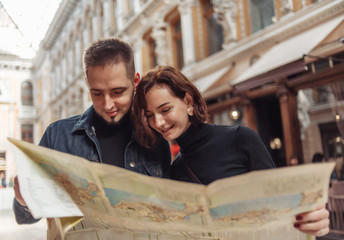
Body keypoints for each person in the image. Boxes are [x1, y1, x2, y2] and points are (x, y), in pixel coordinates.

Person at [131, 65, 330, 237]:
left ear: (189, 102)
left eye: (165, 110)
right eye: (150, 115)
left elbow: (282, 206)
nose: (158, 122)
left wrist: (314, 222)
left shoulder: (240, 138)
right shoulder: (175, 170)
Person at [12, 38, 171, 234]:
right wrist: (23, 200)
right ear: (87, 84)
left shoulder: (155, 134)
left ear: (135, 81)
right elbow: (24, 216)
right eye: (96, 93)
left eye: (117, 92)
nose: (108, 104)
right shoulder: (57, 135)